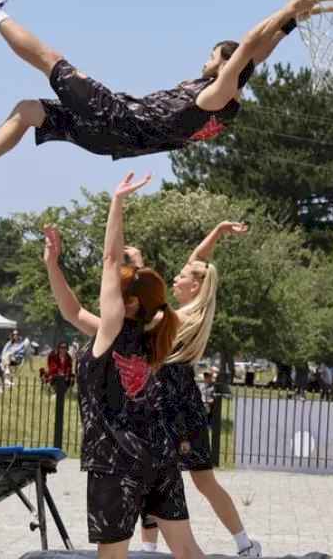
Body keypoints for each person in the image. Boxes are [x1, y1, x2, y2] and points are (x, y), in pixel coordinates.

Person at [0, 0, 316, 198]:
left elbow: (247, 46)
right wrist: (291, 21)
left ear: (226, 64)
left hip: (120, 118)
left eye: (214, 54)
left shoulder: (220, 93)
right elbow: (258, 50)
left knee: (51, 60)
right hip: (114, 141)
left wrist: (285, 8)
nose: (206, 59)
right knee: (29, 111)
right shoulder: (231, 101)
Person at [44, 218, 261, 556]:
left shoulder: (181, 319)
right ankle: (151, 545)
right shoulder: (169, 316)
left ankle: (243, 543)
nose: (177, 275)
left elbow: (135, 303)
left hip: (171, 409)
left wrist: (138, 269)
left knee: (196, 479)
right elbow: (86, 310)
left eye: (184, 275)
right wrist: (216, 233)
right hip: (155, 423)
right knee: (171, 493)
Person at [47, 172, 204, 559]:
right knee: (187, 552)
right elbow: (72, 310)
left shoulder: (114, 329)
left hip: (116, 462)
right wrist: (54, 265)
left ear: (129, 303)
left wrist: (117, 201)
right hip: (159, 456)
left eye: (117, 287)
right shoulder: (147, 336)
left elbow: (110, 257)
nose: (108, 287)